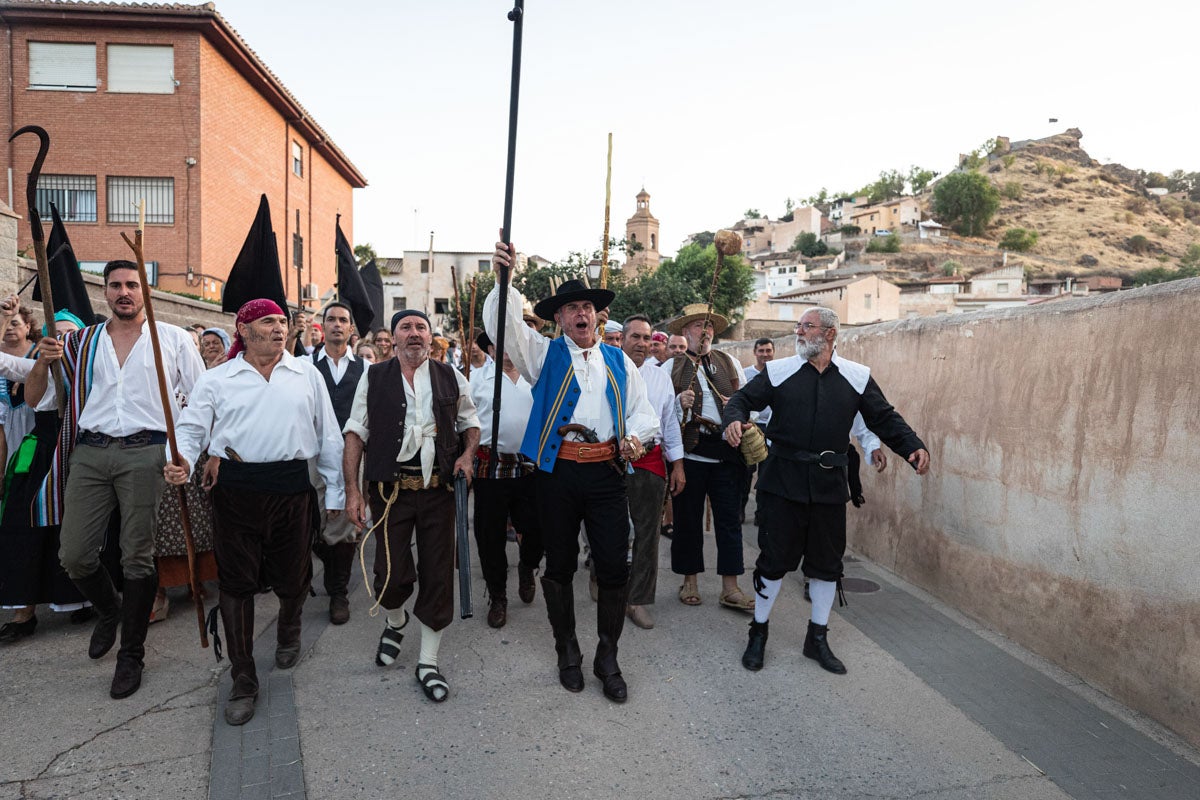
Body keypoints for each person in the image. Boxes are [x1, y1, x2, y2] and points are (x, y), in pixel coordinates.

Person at [487, 237, 659, 703]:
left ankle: (608, 657)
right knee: (559, 565)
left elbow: (645, 413)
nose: (581, 314)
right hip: (557, 475)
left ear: (597, 315)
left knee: (614, 566)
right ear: (559, 318)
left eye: (587, 307)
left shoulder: (619, 360)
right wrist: (504, 281)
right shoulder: (542, 354)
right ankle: (567, 649)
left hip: (606, 475)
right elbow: (505, 326)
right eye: (571, 309)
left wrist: (634, 438)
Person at [28, 260, 204, 699]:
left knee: (136, 556)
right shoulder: (82, 342)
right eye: (115, 285)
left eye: (132, 284)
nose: (124, 292)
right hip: (90, 451)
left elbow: (202, 402)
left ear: (146, 290)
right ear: (104, 291)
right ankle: (110, 609)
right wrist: (42, 363)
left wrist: (186, 455)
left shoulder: (173, 339)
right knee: (74, 554)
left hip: (148, 450)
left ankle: (131, 654)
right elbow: (36, 400)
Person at [166, 298, 344, 725]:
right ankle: (243, 677)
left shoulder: (306, 374)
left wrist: (336, 491)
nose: (280, 328)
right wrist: (182, 460)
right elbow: (191, 430)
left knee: (294, 575)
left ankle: (289, 626)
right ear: (244, 331)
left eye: (282, 321)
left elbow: (329, 434)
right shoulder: (217, 379)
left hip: (291, 487)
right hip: (236, 491)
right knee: (236, 583)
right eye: (268, 322)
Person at [724, 307, 930, 675]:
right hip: (782, 482)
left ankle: (817, 637)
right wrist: (735, 420)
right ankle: (759, 632)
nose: (799, 332)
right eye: (798, 326)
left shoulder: (856, 376)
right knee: (773, 560)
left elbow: (884, 417)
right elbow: (741, 400)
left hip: (829, 485)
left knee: (826, 565)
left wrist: (912, 445)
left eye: (807, 326)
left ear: (830, 333)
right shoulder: (779, 371)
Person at [343, 309, 479, 703]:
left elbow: (470, 423)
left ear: (431, 337)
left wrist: (468, 454)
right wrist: (352, 492)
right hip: (390, 492)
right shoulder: (374, 377)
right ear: (393, 338)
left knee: (438, 575)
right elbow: (355, 434)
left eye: (421, 327)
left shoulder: (450, 375)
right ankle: (396, 619)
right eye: (406, 327)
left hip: (439, 491)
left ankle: (428, 662)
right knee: (389, 575)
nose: (414, 333)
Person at [0, 306, 98, 641]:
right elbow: (8, 367)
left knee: (77, 529)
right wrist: (5, 320)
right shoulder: (34, 365)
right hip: (41, 453)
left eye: (71, 334)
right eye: (57, 335)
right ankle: (23, 613)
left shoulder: (95, 371)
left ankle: (82, 600)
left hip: (82, 452)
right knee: (23, 526)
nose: (63, 340)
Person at [660, 303, 754, 612]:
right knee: (688, 521)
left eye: (710, 325)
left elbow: (747, 402)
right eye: (700, 325)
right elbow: (660, 414)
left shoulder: (729, 362)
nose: (706, 330)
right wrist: (679, 402)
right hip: (691, 454)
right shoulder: (671, 367)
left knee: (729, 521)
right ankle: (690, 581)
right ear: (686, 331)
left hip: (726, 454)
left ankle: (730, 587)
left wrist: (735, 406)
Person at [468, 337, 542, 628]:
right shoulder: (476, 379)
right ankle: (498, 595)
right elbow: (465, 422)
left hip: (529, 466)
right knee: (490, 537)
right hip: (491, 466)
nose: (510, 349)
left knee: (537, 530)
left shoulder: (534, 377)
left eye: (514, 342)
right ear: (490, 349)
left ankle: (527, 565)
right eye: (503, 343)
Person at [619, 315, 685, 630]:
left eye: (647, 338)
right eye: (635, 337)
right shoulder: (607, 372)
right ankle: (602, 580)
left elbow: (669, 422)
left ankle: (638, 600)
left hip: (650, 460)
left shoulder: (660, 378)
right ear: (622, 339)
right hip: (611, 460)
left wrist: (678, 464)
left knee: (647, 535)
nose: (642, 343)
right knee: (611, 530)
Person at [308, 302, 364, 625]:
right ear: (323, 326)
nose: (337, 325)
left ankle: (338, 592)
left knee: (344, 523)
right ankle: (329, 570)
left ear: (351, 328)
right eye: (331, 319)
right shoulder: (305, 366)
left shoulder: (366, 369)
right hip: (312, 455)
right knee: (314, 520)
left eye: (343, 320)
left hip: (351, 454)